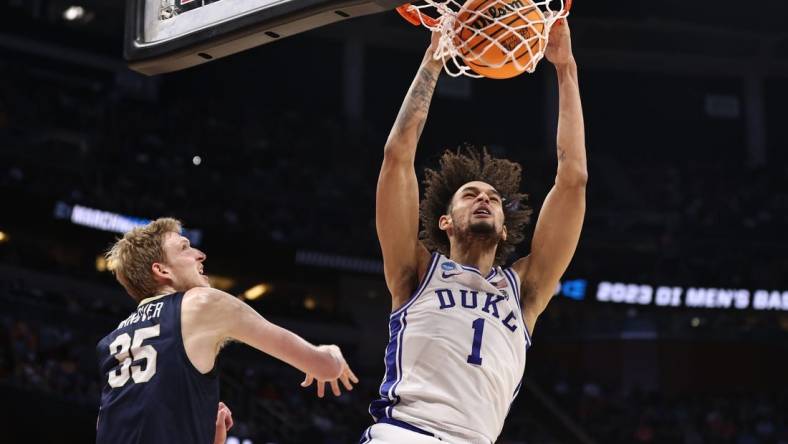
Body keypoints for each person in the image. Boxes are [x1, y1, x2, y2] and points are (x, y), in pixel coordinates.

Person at [362, 18, 587, 444]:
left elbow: (573, 180)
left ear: (504, 230)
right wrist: (432, 60)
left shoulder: (526, 290)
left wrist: (565, 67)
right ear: (444, 222)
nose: (483, 199)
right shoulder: (415, 271)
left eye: (493, 199)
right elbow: (397, 157)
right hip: (407, 433)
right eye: (469, 195)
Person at [96, 217, 358, 444]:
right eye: (184, 247)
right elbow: (324, 368)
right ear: (162, 270)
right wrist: (330, 353)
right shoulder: (202, 302)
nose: (200, 254)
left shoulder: (109, 342)